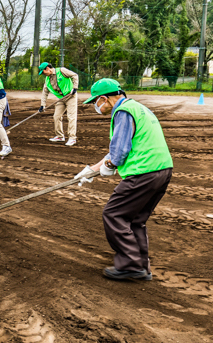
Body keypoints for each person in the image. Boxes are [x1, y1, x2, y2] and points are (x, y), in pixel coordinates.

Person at [74, 78, 173, 281]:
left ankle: (130, 265)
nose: (96, 106)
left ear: (104, 99)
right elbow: (119, 147)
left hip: (143, 172)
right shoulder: (137, 108)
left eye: (95, 102)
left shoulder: (122, 112)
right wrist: (91, 171)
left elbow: (119, 152)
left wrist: (110, 167)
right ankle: (141, 267)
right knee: (135, 220)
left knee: (114, 214)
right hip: (162, 170)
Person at [38, 62, 79, 146]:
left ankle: (72, 138)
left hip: (71, 96)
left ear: (47, 68)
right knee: (56, 116)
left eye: (43, 72)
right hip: (61, 98)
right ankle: (60, 136)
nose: (43, 74)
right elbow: (44, 92)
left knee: (71, 117)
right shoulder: (47, 79)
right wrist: (43, 105)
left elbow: (75, 75)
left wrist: (75, 88)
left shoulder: (62, 70)